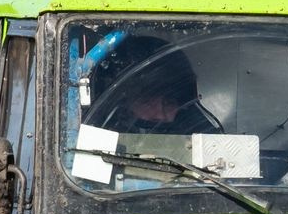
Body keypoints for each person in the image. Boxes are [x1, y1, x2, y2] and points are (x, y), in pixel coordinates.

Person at [87, 35, 218, 137]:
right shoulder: (99, 134)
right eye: (147, 102)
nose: (160, 114)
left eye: (169, 102)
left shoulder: (197, 129)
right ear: (122, 101)